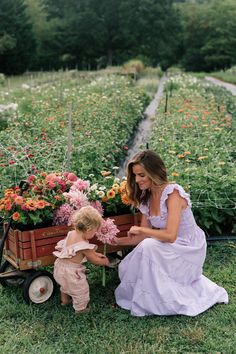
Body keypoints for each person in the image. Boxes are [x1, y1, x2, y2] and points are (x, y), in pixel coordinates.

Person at [114, 150, 228, 317]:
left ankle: (160, 300)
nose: (137, 180)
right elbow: (141, 237)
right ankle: (151, 298)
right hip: (169, 245)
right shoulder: (146, 197)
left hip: (189, 247)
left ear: (154, 173)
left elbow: (170, 235)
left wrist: (142, 230)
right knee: (147, 245)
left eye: (141, 175)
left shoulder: (173, 193)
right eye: (135, 175)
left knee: (149, 246)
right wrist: (114, 241)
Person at [53, 205, 110, 314]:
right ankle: (81, 309)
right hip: (72, 273)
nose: (94, 235)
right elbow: (94, 260)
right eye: (94, 232)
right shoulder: (83, 245)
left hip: (60, 267)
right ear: (88, 230)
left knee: (65, 285)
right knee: (81, 291)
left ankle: (64, 301)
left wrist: (95, 254)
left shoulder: (71, 234)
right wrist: (104, 261)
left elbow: (78, 251)